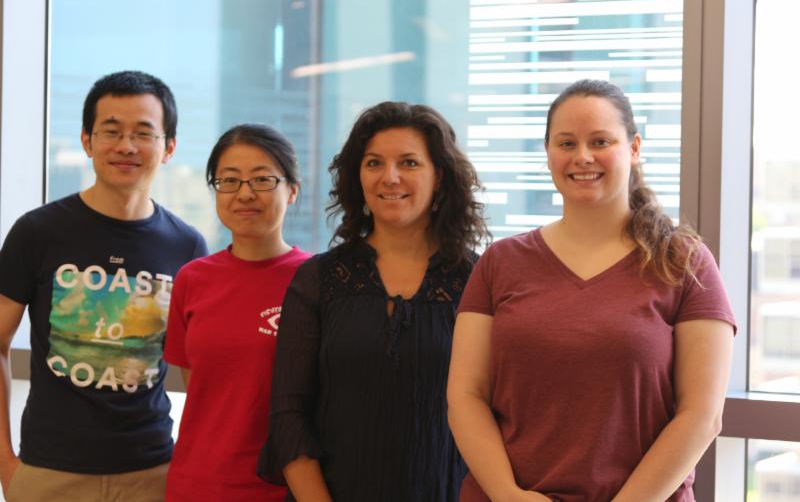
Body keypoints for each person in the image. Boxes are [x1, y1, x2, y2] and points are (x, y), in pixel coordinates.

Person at [447, 79, 736, 502]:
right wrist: (508, 495)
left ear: (633, 148)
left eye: (600, 141)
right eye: (567, 143)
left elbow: (702, 415)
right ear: (548, 153)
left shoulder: (685, 262)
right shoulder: (500, 262)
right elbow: (466, 396)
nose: (582, 156)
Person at [258, 101, 490, 502]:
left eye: (409, 163)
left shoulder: (479, 280)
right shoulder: (318, 279)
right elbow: (288, 414)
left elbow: (497, 413)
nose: (390, 177)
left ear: (439, 176)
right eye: (374, 163)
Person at [0, 71, 208, 502]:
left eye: (143, 133)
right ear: (87, 140)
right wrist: (5, 461)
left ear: (169, 146)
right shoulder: (37, 232)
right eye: (111, 131)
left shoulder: (187, 246)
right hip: (48, 472)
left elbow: (199, 369)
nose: (126, 146)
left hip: (152, 473)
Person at [164, 124, 310, 501]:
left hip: (285, 489)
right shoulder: (192, 279)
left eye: (262, 179)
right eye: (229, 181)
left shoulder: (317, 281)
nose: (245, 193)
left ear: (293, 190)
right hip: (195, 485)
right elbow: (202, 389)